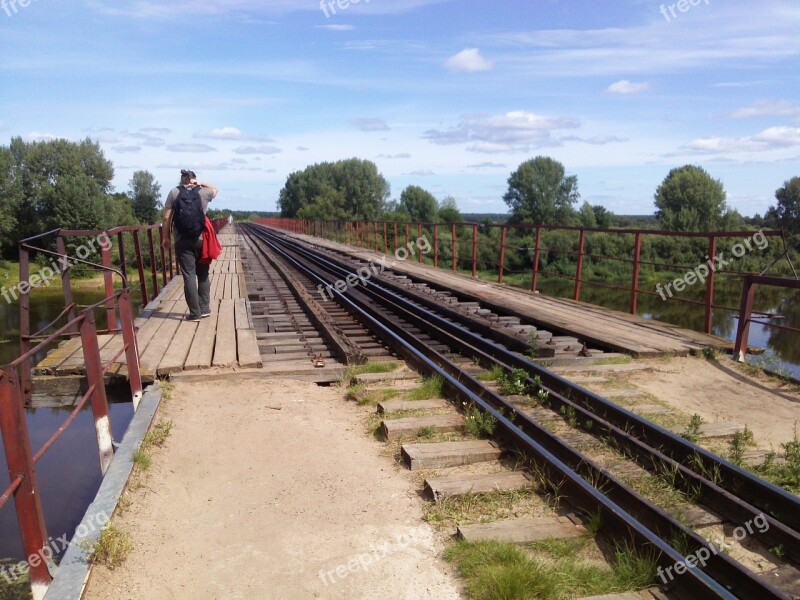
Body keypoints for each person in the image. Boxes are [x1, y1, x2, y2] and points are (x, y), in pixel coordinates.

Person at [162, 169, 218, 321]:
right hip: (201, 240)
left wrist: (166, 237)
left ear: (181, 180)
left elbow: (167, 217)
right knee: (203, 274)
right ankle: (205, 308)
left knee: (189, 276)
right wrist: (201, 183)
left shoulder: (174, 192)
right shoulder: (203, 193)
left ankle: (195, 313)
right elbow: (215, 189)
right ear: (194, 179)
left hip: (182, 241)